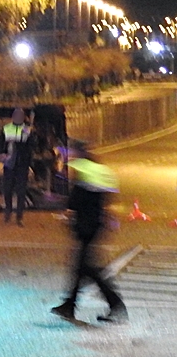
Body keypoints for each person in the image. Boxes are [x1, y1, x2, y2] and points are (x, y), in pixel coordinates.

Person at [51, 139, 127, 324]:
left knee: (88, 269)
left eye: (72, 152)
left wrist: (64, 207)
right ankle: (69, 306)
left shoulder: (84, 170)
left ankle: (116, 305)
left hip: (87, 225)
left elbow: (77, 199)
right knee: (80, 267)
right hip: (94, 224)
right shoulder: (98, 169)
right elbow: (101, 198)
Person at [0, 107, 34, 226]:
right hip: (9, 165)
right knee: (7, 189)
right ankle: (8, 211)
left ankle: (19, 217)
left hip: (22, 165)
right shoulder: (6, 129)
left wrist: (29, 164)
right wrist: (1, 155)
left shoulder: (27, 130)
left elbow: (31, 148)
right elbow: (0, 144)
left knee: (21, 192)